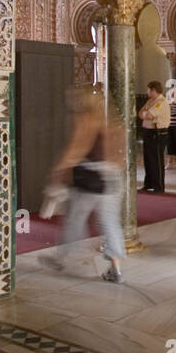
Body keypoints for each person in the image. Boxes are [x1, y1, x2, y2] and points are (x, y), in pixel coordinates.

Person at [47, 88, 126, 283]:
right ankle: (115, 268)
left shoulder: (86, 121)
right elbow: (120, 155)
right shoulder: (112, 124)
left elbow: (76, 149)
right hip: (113, 177)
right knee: (110, 222)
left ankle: (61, 258)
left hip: (91, 178)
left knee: (75, 218)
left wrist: (57, 174)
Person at [139, 80, 170, 193]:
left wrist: (145, 114)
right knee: (148, 159)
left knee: (156, 160)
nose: (147, 92)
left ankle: (158, 186)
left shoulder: (160, 102)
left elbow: (148, 114)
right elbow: (141, 113)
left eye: (148, 89)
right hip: (148, 132)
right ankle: (148, 183)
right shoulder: (150, 101)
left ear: (153, 90)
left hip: (157, 133)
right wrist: (145, 114)